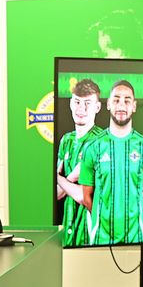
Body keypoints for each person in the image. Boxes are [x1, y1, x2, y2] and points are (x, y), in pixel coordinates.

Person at [80, 80, 143, 245]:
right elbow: (87, 197)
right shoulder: (92, 147)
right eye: (116, 100)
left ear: (134, 106)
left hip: (136, 235)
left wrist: (134, 215)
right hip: (101, 237)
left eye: (127, 100)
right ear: (108, 104)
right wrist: (102, 217)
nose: (121, 105)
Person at [56, 78, 105, 247]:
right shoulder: (66, 140)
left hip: (92, 236)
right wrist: (70, 177)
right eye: (77, 102)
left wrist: (58, 177)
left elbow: (85, 197)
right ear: (70, 103)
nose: (81, 109)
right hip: (67, 233)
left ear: (97, 107)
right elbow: (56, 194)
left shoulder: (102, 141)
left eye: (88, 103)